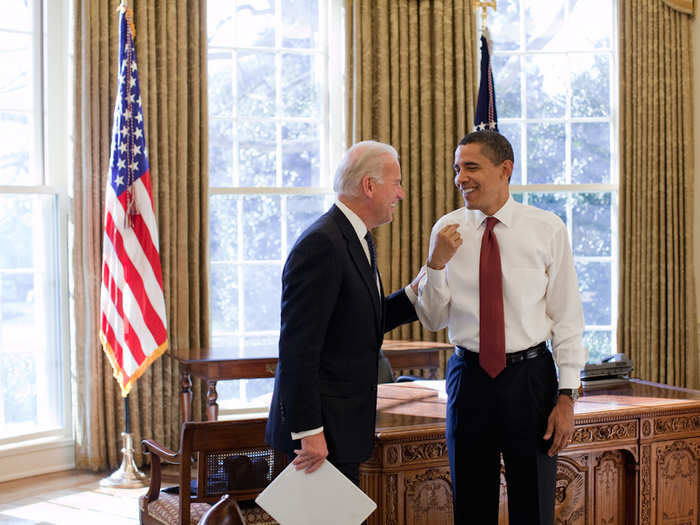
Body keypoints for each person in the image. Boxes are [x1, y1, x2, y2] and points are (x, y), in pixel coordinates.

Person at [415, 130, 587, 524]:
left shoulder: (547, 228)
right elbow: (432, 318)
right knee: (472, 508)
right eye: (458, 169)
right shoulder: (447, 230)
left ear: (504, 170)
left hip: (530, 380)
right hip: (468, 378)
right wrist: (436, 264)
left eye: (471, 167)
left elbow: (567, 317)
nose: (461, 178)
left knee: (535, 506)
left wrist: (567, 397)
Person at [265, 140, 422, 488]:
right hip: (319, 437)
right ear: (369, 185)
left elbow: (362, 323)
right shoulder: (322, 244)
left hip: (343, 428)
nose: (401, 193)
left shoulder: (358, 238)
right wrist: (309, 433)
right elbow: (297, 350)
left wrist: (416, 291)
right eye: (395, 183)